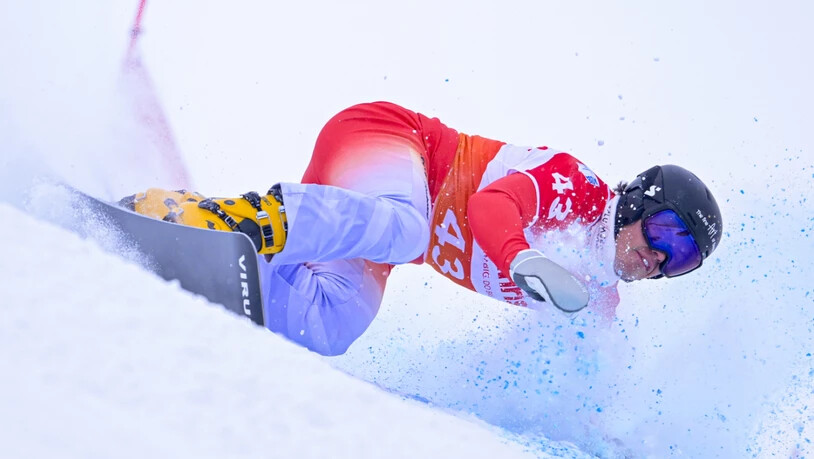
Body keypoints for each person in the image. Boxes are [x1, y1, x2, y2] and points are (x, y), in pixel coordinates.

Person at [126, 101, 723, 356]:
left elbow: (593, 381)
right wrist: (521, 259)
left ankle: (228, 260)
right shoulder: (577, 189)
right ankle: (230, 219)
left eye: (681, 260)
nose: (659, 258)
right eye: (666, 233)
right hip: (391, 141)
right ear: (641, 202)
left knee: (335, 325)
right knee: (409, 231)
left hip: (368, 227)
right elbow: (491, 207)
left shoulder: (596, 298)